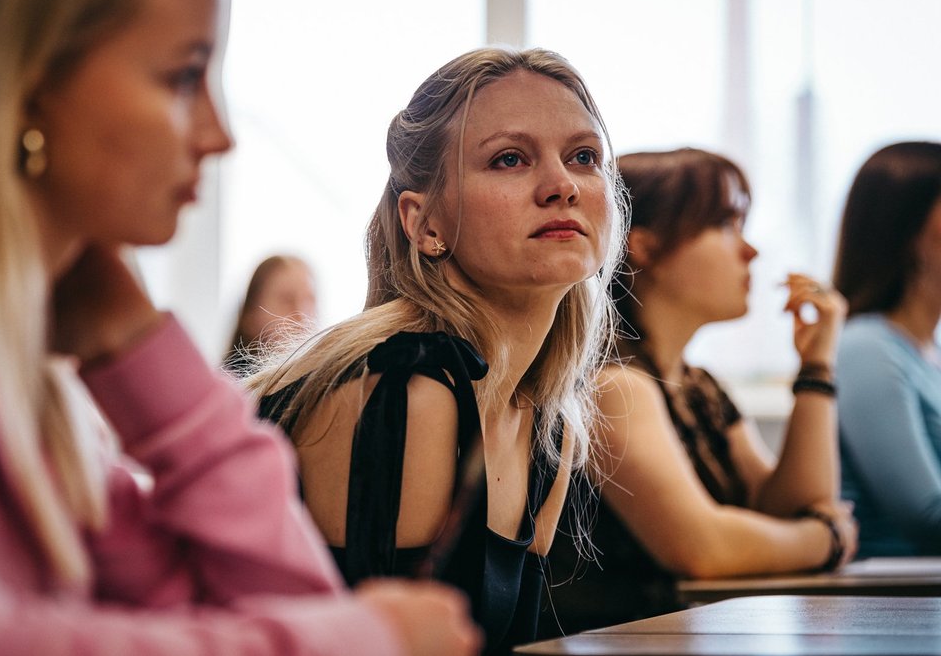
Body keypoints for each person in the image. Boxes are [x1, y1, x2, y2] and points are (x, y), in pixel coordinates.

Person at [0, 0, 482, 654]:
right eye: (184, 76)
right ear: (23, 75)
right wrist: (362, 638)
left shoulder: (25, 372)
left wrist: (138, 345)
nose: (218, 135)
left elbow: (274, 601)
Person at [251, 46, 629, 654]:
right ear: (424, 222)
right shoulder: (411, 385)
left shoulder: (549, 423)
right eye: (510, 159)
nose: (562, 185)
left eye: (584, 157)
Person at [541, 148, 859, 635]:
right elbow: (703, 548)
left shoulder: (698, 386)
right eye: (726, 225)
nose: (749, 251)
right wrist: (827, 539)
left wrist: (816, 366)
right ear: (644, 247)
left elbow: (786, 506)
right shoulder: (610, 380)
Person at [833, 141, 941, 557]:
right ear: (908, 229)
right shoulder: (867, 348)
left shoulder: (927, 354)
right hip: (892, 601)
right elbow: (927, 516)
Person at [223, 254, 319, 377]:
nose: (302, 315)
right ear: (251, 316)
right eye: (287, 300)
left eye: (310, 300)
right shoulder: (230, 388)